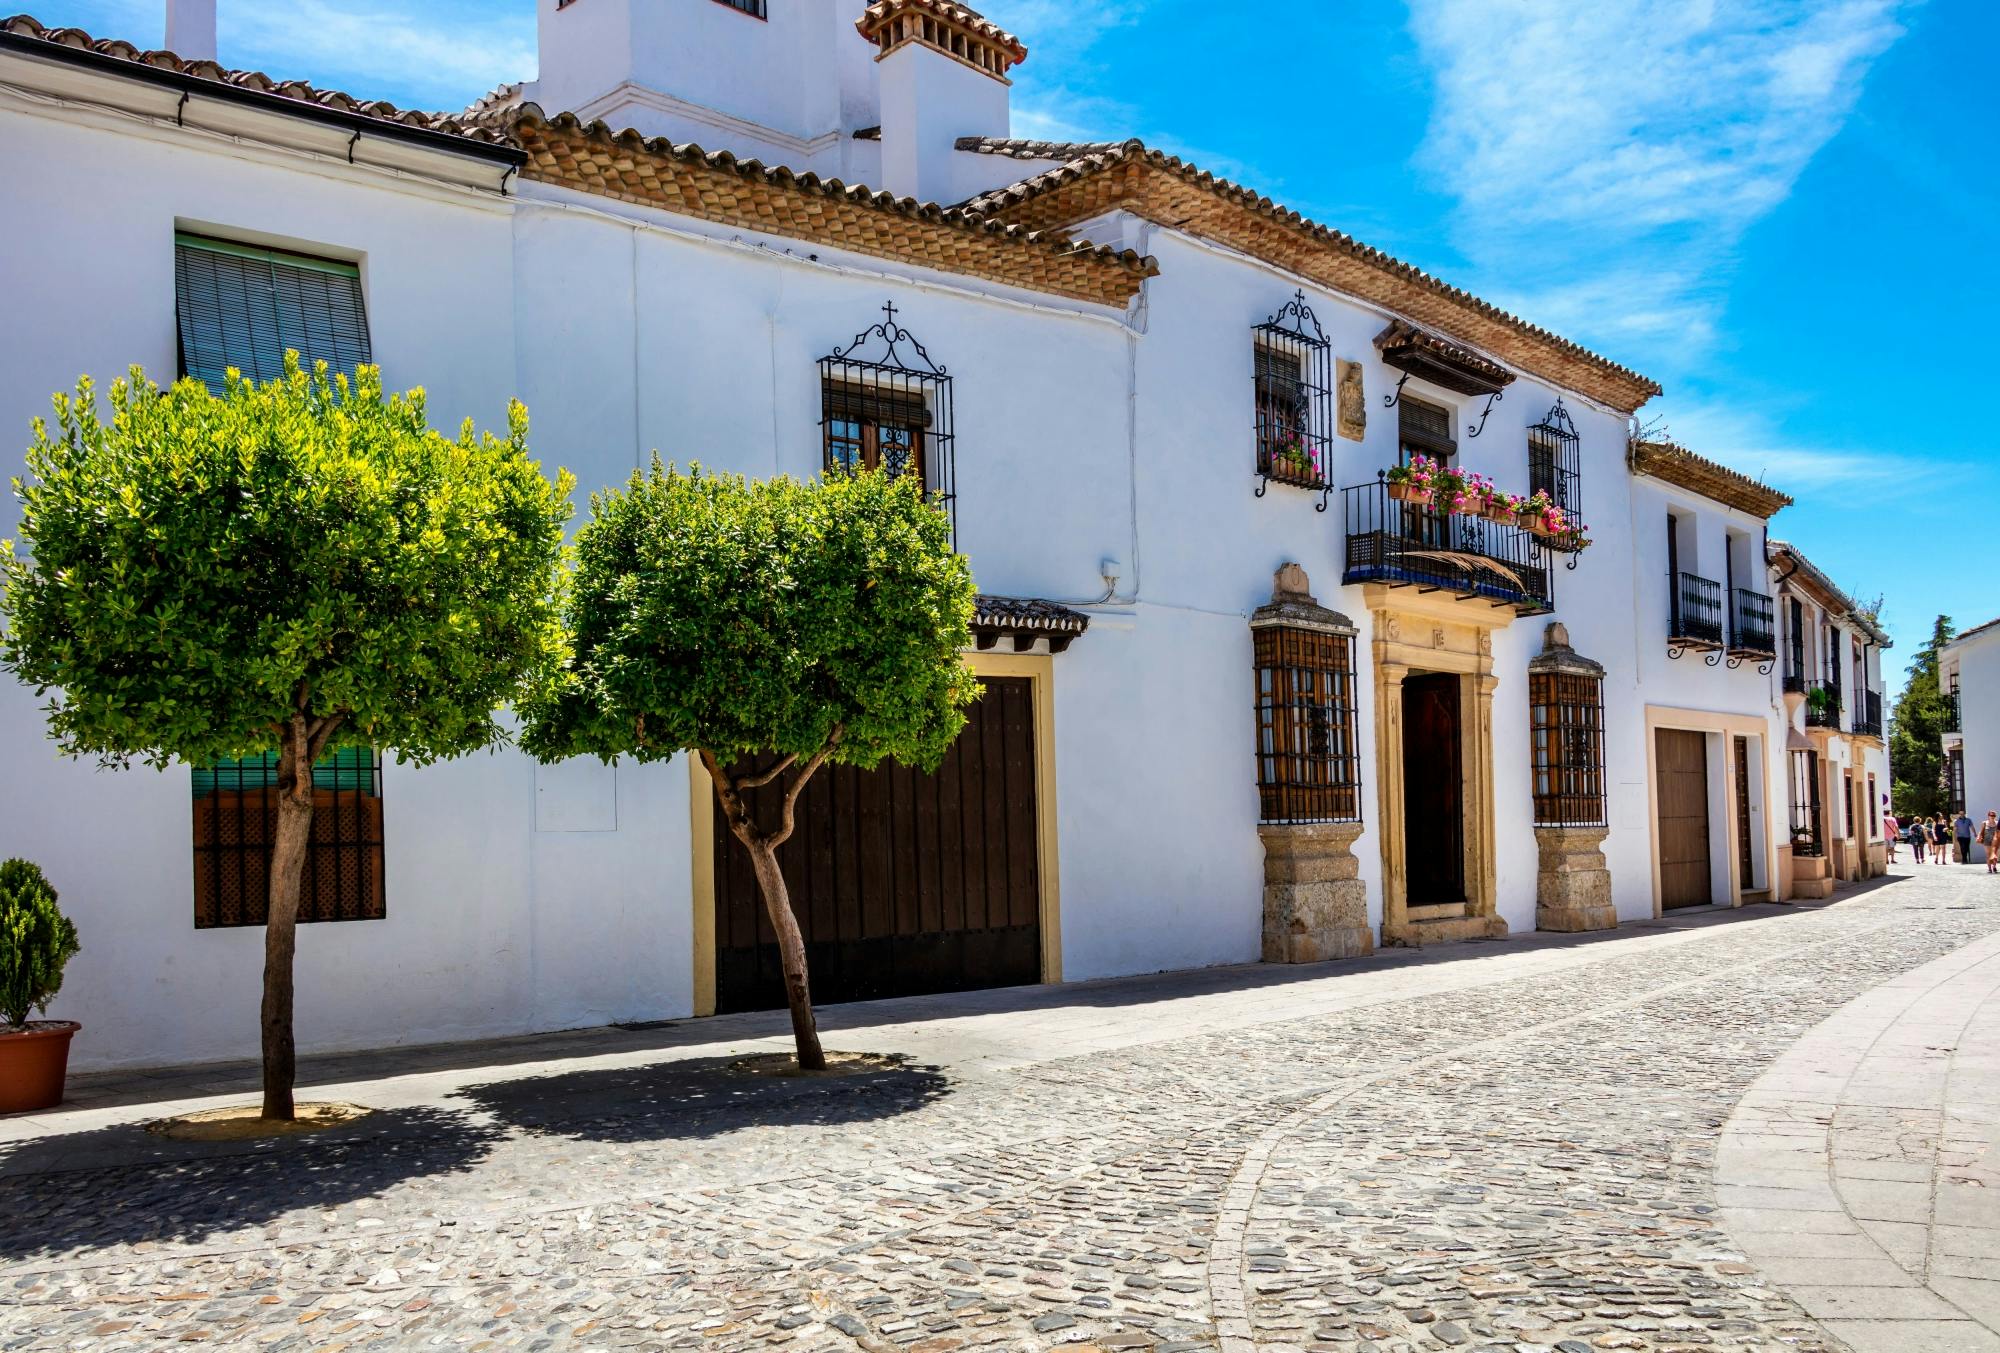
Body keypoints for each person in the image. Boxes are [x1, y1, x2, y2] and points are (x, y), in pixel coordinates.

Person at [1984, 812, 2000, 876]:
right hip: (1987, 841)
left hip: (1996, 841)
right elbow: (1982, 831)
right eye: (1991, 815)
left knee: (1995, 854)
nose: (1992, 816)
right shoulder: (1984, 823)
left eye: (1994, 815)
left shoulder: (1997, 823)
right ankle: (1989, 868)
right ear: (1988, 816)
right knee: (1988, 855)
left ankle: (1994, 867)